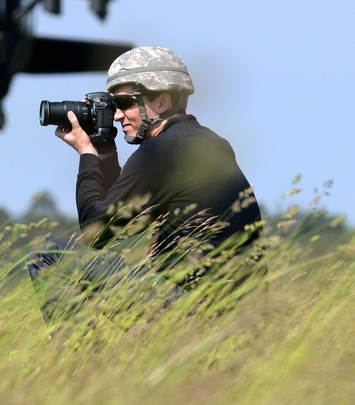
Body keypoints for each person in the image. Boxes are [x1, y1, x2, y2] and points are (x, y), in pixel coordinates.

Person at [29, 46, 264, 320]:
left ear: (162, 102)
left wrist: (87, 154)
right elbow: (120, 223)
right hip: (236, 316)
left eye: (126, 103)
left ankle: (79, 360)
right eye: (114, 106)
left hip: (198, 314)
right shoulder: (206, 144)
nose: (117, 115)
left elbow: (95, 233)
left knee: (48, 253)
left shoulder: (162, 151)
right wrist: (104, 151)